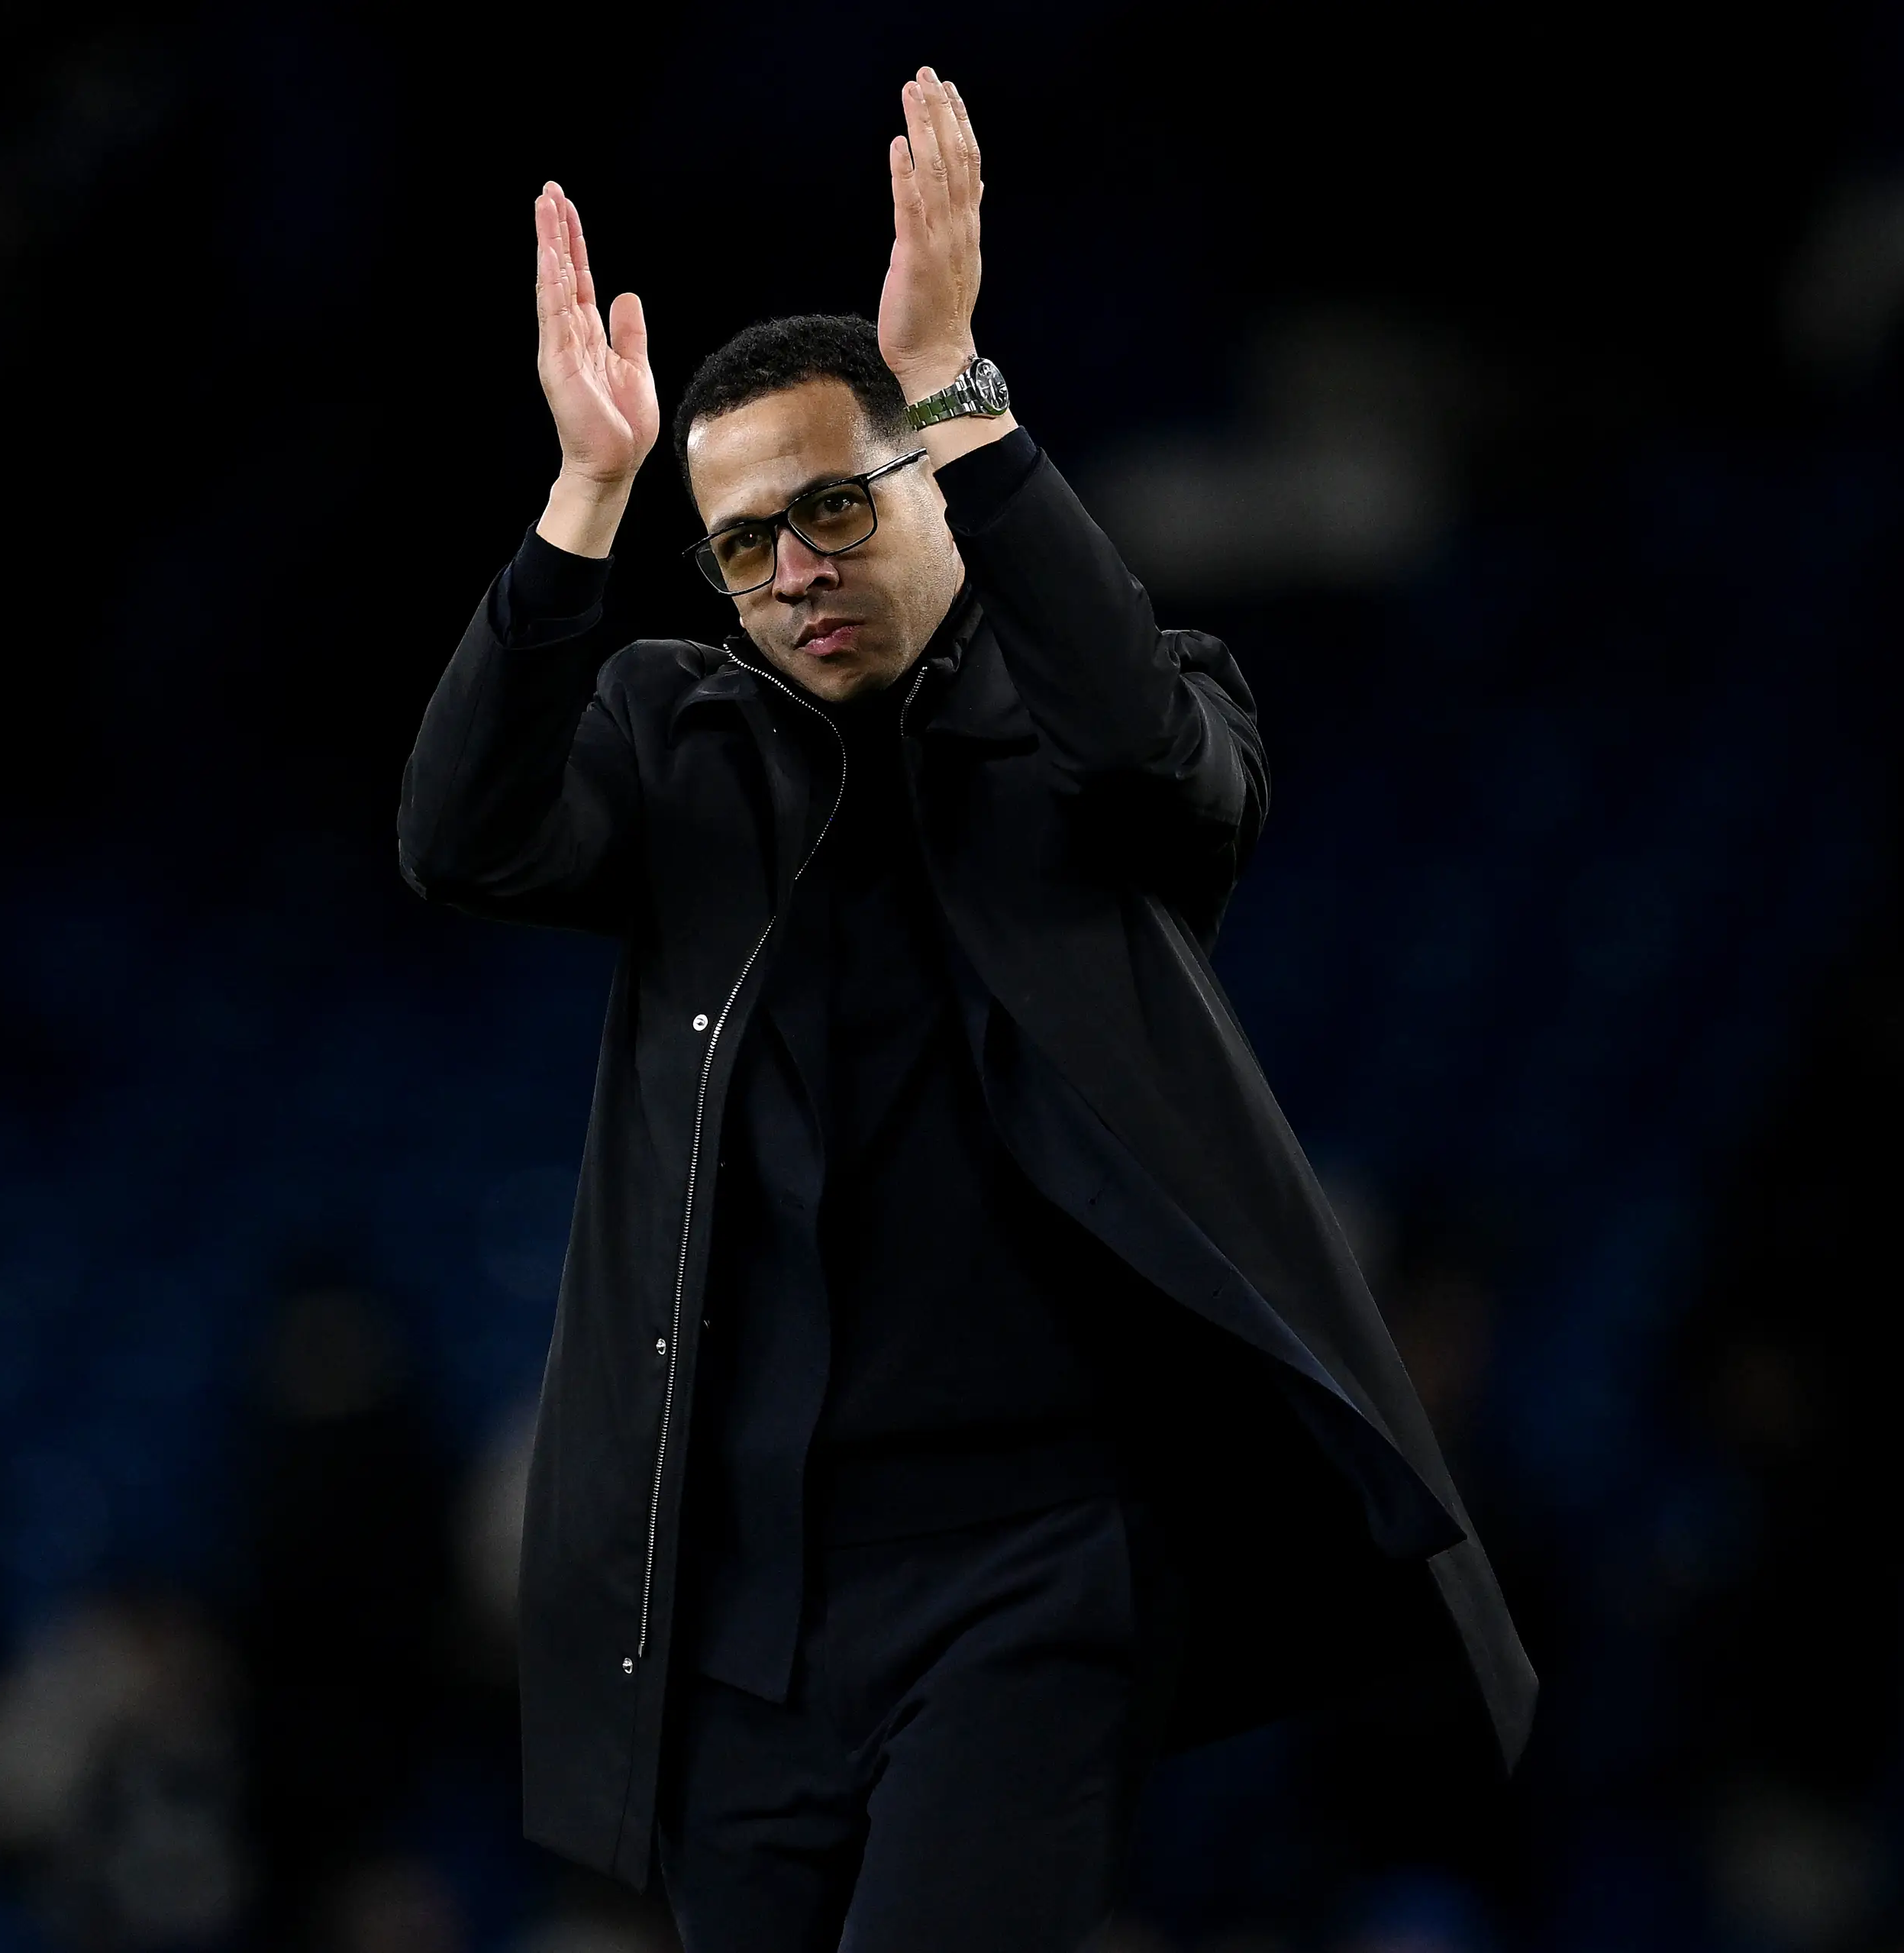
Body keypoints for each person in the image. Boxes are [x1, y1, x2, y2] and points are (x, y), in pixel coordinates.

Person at [398, 66, 1533, 1953]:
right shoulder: (679, 750)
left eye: (837, 503)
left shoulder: (1110, 709)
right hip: (746, 1627)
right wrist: (584, 513)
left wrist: (964, 396)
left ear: (925, 473)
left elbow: (1166, 770)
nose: (793, 572)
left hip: (1030, 1574)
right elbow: (458, 838)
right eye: (743, 542)